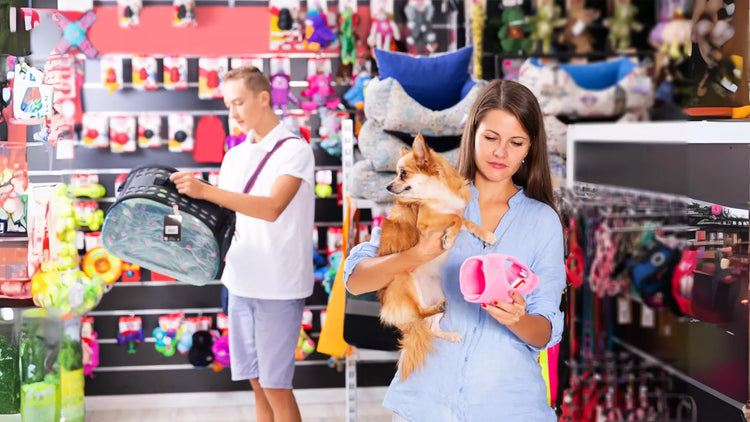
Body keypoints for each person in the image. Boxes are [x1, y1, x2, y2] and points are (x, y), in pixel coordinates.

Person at [343, 79, 565, 421]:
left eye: (516, 142)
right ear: (471, 134)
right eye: (491, 138)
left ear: (529, 149)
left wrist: (519, 319)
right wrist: (414, 256)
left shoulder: (542, 221)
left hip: (509, 406)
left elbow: (546, 332)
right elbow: (356, 281)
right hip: (425, 405)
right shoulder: (426, 197)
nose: (501, 152)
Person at [170, 66, 314, 422]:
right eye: (228, 105)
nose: (232, 113)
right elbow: (223, 213)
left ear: (263, 98)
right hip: (239, 281)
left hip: (279, 286)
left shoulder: (295, 151)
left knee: (276, 385)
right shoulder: (234, 155)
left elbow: (271, 208)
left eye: (238, 103)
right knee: (256, 383)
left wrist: (205, 189)